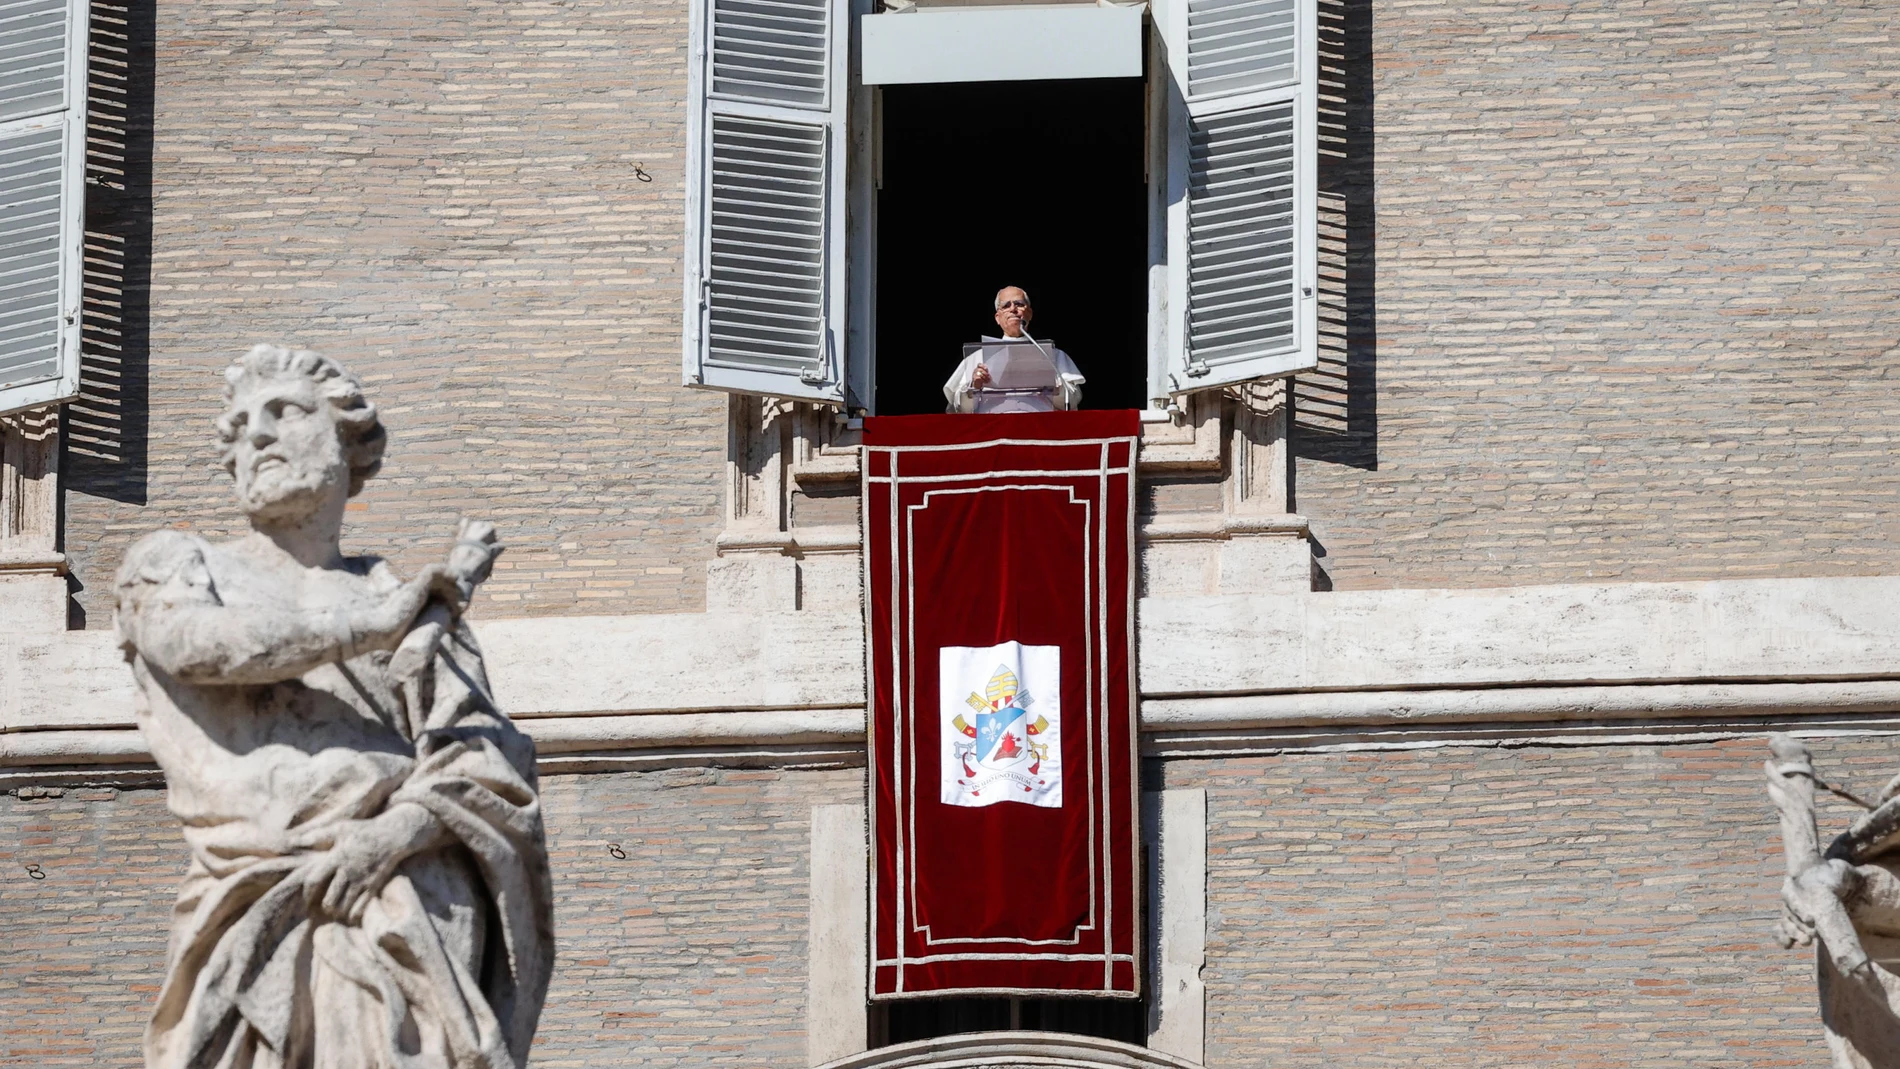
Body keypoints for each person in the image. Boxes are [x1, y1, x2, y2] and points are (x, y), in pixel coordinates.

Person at [115, 344, 554, 1069]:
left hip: (398, 901)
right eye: (242, 424)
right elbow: (198, 646)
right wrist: (380, 623)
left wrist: (389, 838)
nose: (257, 435)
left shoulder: (404, 603)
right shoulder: (181, 564)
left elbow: (486, 763)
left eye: (285, 413)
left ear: (348, 443)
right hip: (246, 897)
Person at [942, 286, 1085, 413]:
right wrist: (974, 387)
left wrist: (1053, 386)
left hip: (1040, 427)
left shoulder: (1053, 355)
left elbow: (1071, 401)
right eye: (1005, 306)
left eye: (1019, 304)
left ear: (1029, 313)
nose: (1013, 309)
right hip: (993, 429)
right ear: (997, 318)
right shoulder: (976, 358)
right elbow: (959, 409)